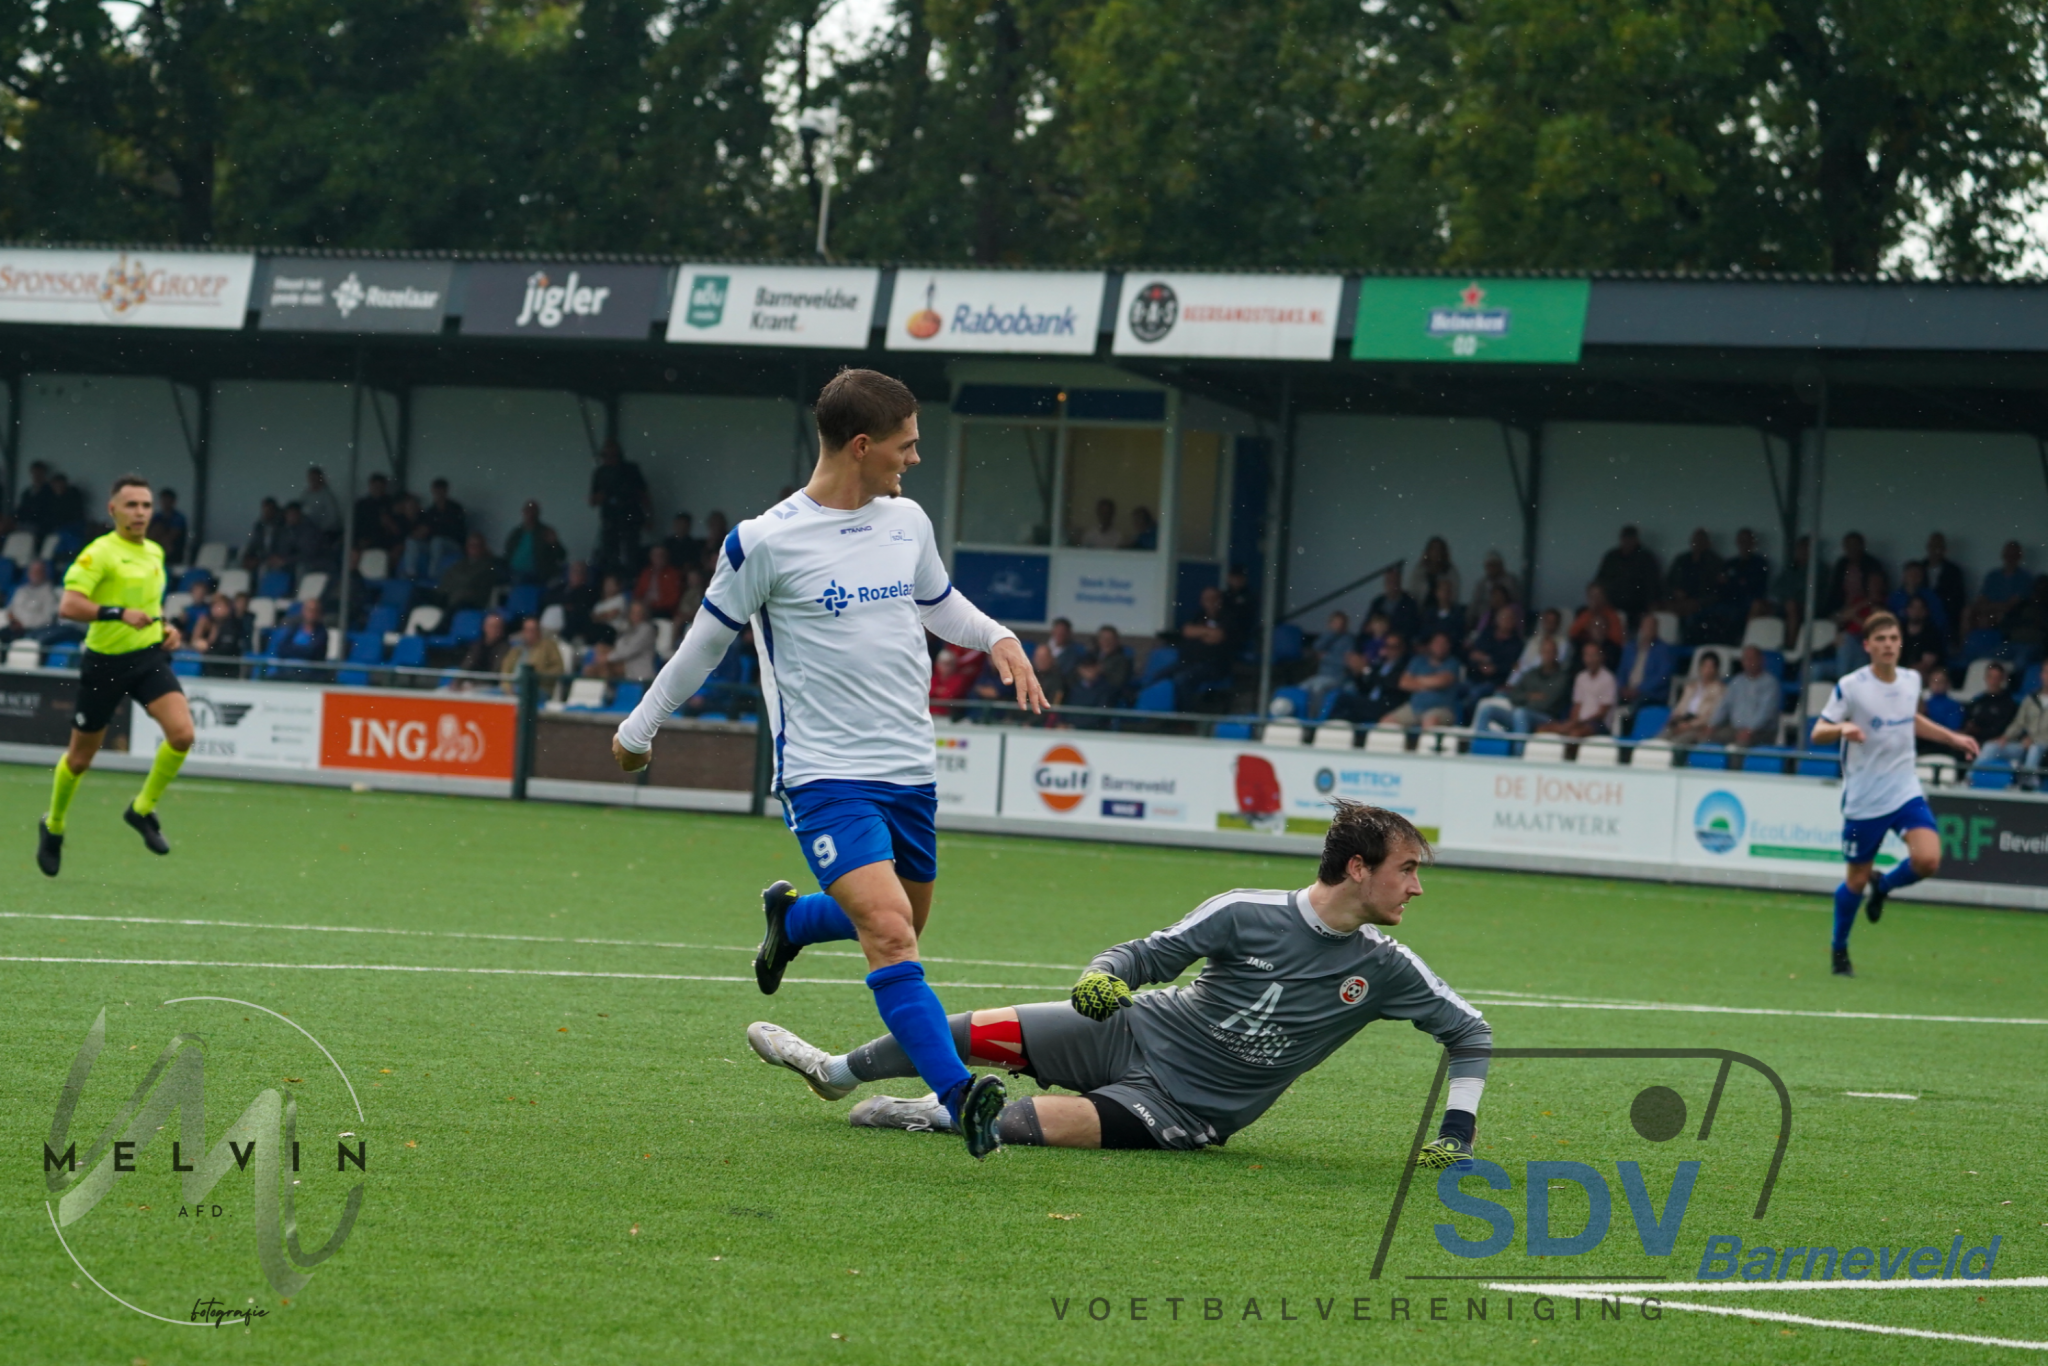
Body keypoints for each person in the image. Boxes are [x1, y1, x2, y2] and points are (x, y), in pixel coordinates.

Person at [609, 367, 1043, 1159]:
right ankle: (960, 1097)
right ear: (863, 445)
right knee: (890, 933)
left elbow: (939, 602)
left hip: (910, 768)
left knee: (905, 919)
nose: (914, 460)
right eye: (906, 446)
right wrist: (638, 732)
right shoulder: (764, 541)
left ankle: (792, 920)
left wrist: (998, 636)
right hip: (825, 775)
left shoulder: (906, 521)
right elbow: (703, 650)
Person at [744, 803, 1491, 1166]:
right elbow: (1143, 956)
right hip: (1135, 1028)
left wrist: (1456, 1132)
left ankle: (926, 1114)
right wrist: (1102, 978)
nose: (1416, 887)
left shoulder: (1385, 968)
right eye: (1408, 868)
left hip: (1183, 1107)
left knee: (1027, 1125)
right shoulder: (1244, 914)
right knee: (966, 1031)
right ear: (1358, 868)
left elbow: (1471, 1033)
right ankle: (832, 1072)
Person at [37, 477, 193, 877]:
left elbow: (150, 607)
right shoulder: (99, 553)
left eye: (145, 505)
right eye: (131, 505)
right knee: (80, 759)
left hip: (146, 657)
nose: (140, 512)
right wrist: (116, 613)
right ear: (113, 510)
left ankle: (141, 810)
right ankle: (53, 825)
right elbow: (69, 606)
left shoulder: (155, 552)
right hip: (104, 664)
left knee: (183, 735)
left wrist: (166, 629)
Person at [1813, 612, 1979, 976]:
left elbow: (1909, 718)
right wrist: (1842, 728)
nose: (1888, 644)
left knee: (1928, 861)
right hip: (1864, 799)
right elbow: (1818, 731)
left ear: (1900, 643)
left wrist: (1952, 737)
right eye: (1881, 639)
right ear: (1868, 645)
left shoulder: (1911, 680)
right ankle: (1839, 949)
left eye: (1893, 638)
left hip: (1904, 790)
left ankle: (1884, 886)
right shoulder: (1851, 686)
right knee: (1855, 880)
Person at [1474, 635, 1569, 735]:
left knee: (1520, 713)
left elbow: (1547, 703)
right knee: (1486, 709)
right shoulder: (1531, 673)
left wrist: (1524, 701)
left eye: (1551, 652)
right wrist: (1529, 696)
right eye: (1545, 652)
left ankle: (1518, 751)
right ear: (1540, 653)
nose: (1547, 655)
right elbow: (1513, 695)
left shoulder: (1562, 677)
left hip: (1546, 718)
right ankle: (1476, 747)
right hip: (1520, 713)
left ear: (1556, 654)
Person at [589, 438, 650, 575]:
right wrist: (601, 496)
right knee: (610, 554)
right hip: (610, 518)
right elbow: (592, 500)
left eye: (612, 455)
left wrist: (649, 516)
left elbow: (643, 494)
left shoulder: (631, 470)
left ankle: (631, 580)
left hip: (630, 516)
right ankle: (613, 582)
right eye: (606, 455)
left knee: (631, 553)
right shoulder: (600, 472)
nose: (609, 458)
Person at [1171, 584, 1234, 708]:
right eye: (1205, 599)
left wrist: (1199, 632)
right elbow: (1187, 630)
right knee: (1159, 677)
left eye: (1212, 599)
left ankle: (1184, 720)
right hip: (1188, 662)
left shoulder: (1228, 617)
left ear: (1219, 600)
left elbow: (1217, 636)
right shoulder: (1199, 615)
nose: (1208, 603)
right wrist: (1206, 632)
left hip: (1213, 666)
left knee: (1181, 680)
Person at [1983, 670, 2048, 787]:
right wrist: (2005, 737)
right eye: (2046, 672)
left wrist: (2036, 740)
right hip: (2025, 744)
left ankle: (2027, 785)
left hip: (2042, 746)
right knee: (1991, 747)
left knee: (2035, 748)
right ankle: (1968, 778)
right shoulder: (2031, 699)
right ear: (2041, 674)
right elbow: (2018, 723)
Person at [1383, 631, 1462, 728]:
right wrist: (1430, 683)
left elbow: (1442, 681)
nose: (1440, 646)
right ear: (1430, 644)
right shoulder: (1418, 661)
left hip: (1442, 709)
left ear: (1449, 646)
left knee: (1430, 722)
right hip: (1414, 708)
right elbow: (1403, 683)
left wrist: (1416, 681)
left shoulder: (1453, 663)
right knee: (1387, 722)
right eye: (1437, 643)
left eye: (1443, 643)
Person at [1708, 645, 1782, 746]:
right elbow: (1724, 705)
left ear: (1761, 660)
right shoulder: (1737, 681)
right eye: (1745, 659)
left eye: (1752, 659)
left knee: (1740, 746)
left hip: (1761, 732)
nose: (1748, 662)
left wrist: (1751, 730)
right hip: (1736, 729)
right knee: (1708, 738)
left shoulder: (1770, 683)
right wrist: (1712, 725)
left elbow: (1766, 712)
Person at [1538, 642, 1616, 737]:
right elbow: (1577, 706)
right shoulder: (1581, 677)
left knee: (1574, 735)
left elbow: (1602, 713)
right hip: (1579, 722)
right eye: (1587, 655)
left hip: (1599, 724)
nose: (1589, 659)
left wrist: (1577, 723)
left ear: (1601, 657)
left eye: (1593, 655)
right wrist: (1572, 723)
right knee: (1543, 729)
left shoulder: (1608, 678)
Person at [1595, 525, 1661, 622]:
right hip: (1612, 604)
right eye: (1625, 538)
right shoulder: (1611, 557)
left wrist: (1651, 606)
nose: (1627, 541)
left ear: (1636, 539)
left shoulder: (1646, 558)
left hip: (1637, 606)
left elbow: (1652, 584)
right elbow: (1600, 580)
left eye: (1630, 538)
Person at [1663, 527, 1723, 634]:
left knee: (1689, 609)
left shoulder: (1715, 562)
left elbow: (1718, 591)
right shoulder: (1681, 560)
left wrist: (1698, 601)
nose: (1697, 543)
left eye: (1701, 540)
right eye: (1695, 540)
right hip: (1678, 601)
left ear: (1707, 543)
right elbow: (1668, 583)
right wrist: (1675, 592)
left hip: (1700, 602)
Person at [1616, 613, 1677, 716]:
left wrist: (1639, 689)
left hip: (1650, 694)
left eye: (1652, 626)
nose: (1649, 629)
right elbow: (1622, 671)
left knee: (1638, 704)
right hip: (1628, 691)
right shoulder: (1630, 648)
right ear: (1641, 628)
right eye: (1647, 626)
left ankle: (1632, 730)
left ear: (1657, 629)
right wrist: (1622, 687)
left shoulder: (1663, 650)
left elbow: (1662, 677)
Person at [1661, 652, 1727, 743]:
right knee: (1659, 740)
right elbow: (1679, 707)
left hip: (1698, 728)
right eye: (1705, 666)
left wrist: (1689, 725)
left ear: (1716, 670)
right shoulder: (1691, 687)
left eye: (1711, 667)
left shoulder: (1720, 690)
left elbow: (1711, 716)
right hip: (1681, 721)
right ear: (1700, 667)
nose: (1707, 670)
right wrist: (1675, 719)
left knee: (1677, 743)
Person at [1301, 611, 1356, 717]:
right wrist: (1331, 634)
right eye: (1335, 623)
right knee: (1302, 687)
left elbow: (1345, 663)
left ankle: (1314, 718)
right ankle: (1301, 716)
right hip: (1321, 675)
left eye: (1341, 623)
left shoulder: (1349, 639)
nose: (1338, 626)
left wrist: (1326, 657)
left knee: (1318, 688)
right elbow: (1316, 648)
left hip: (1337, 677)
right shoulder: (1327, 636)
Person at [503, 500, 565, 586]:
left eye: (533, 511)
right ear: (523, 512)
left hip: (536, 576)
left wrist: (554, 543)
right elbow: (507, 553)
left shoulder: (545, 532)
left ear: (538, 513)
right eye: (527, 510)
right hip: (512, 572)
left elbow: (561, 556)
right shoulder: (516, 532)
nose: (530, 514)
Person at [438, 533, 502, 613]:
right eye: (471, 545)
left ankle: (440, 625)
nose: (473, 548)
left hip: (467, 602)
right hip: (448, 596)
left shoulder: (488, 566)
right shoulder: (460, 563)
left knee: (455, 606)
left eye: (476, 545)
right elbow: (447, 580)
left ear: (483, 547)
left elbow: (480, 593)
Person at [500, 616, 568, 691]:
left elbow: (558, 669)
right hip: (512, 688)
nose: (529, 633)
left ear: (539, 631)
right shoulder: (516, 648)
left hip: (537, 689)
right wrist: (507, 685)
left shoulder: (548, 646)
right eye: (526, 630)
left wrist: (537, 677)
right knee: (489, 694)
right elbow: (506, 668)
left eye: (532, 630)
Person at [271, 598, 331, 682]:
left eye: (315, 610)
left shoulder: (321, 632)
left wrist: (292, 649)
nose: (311, 613)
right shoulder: (294, 628)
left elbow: (311, 652)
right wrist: (300, 650)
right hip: (287, 670)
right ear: (303, 611)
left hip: (309, 672)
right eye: (309, 610)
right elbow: (282, 648)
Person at [1922, 532, 1967, 638]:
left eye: (1939, 546)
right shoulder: (1919, 568)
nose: (1935, 550)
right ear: (1928, 547)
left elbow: (1959, 598)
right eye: (1933, 546)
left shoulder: (1953, 571)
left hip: (1945, 613)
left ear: (1944, 549)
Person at [3, 558, 59, 641]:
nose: (34, 574)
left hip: (33, 631)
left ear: (44, 573)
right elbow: (10, 610)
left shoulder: (49, 593)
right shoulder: (21, 590)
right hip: (14, 628)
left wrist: (23, 624)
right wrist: (13, 620)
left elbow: (48, 619)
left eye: (38, 571)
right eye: (32, 571)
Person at [1962, 662, 2018, 745]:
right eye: (1990, 677)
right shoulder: (1978, 701)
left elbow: (2001, 729)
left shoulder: (2008, 704)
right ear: (1985, 677)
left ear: (2002, 679)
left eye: (1997, 677)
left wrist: (1979, 730)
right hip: (1971, 740)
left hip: (1992, 743)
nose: (1993, 681)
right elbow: (1967, 720)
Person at [1467, 550, 1521, 629]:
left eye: (1494, 565)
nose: (1491, 568)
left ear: (1500, 565)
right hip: (1483, 618)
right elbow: (1474, 603)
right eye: (1489, 565)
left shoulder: (1510, 581)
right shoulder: (1482, 583)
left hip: (1505, 618)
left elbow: (1516, 601)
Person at [1366, 567, 1420, 644]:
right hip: (1376, 642)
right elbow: (1367, 626)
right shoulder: (1377, 602)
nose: (1392, 585)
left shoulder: (1409, 602)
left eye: (1395, 582)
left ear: (1400, 582)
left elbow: (1411, 628)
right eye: (1389, 582)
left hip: (1399, 644)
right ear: (1385, 583)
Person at [1404, 536, 1460, 608]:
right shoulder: (1419, 569)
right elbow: (1412, 593)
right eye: (1433, 549)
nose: (1436, 552)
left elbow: (1454, 597)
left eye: (1439, 549)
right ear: (1428, 551)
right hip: (1420, 611)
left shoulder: (1451, 572)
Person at [610, 601, 658, 682]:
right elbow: (619, 647)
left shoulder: (647, 629)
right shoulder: (628, 628)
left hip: (641, 675)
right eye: (633, 612)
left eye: (639, 612)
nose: (636, 615)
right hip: (627, 669)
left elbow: (627, 651)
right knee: (600, 651)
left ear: (644, 614)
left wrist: (607, 658)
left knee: (602, 667)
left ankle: (608, 691)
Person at [1568, 582, 1624, 651]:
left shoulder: (1612, 616)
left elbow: (1617, 641)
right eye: (1592, 596)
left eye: (1598, 596)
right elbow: (1572, 634)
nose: (1595, 599)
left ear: (1604, 597)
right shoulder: (1585, 614)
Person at [421, 478, 468, 557]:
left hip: (453, 543)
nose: (438, 494)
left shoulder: (455, 508)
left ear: (445, 491)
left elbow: (457, 531)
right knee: (412, 543)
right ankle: (410, 569)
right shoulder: (431, 510)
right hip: (433, 543)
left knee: (437, 542)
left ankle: (434, 570)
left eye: (440, 491)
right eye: (436, 491)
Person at [634, 544, 684, 616]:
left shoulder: (673, 574)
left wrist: (654, 603)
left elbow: (674, 600)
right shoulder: (646, 572)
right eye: (655, 555)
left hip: (663, 610)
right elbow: (638, 593)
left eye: (661, 555)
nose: (658, 558)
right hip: (644, 607)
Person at [458, 611, 511, 677]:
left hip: (489, 684)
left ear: (502, 629)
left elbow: (496, 672)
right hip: (469, 683)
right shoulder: (477, 645)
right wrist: (457, 682)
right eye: (491, 626)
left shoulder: (506, 648)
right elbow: (466, 666)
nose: (494, 630)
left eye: (497, 627)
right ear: (484, 627)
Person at [1514, 607, 1565, 674]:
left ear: (1557, 623)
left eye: (1552, 621)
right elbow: (1521, 662)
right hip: (1524, 675)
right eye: (1547, 620)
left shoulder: (1563, 642)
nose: (1549, 623)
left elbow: (1555, 663)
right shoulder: (1534, 640)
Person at [147, 487, 189, 564]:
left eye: (167, 500)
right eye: (163, 500)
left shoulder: (178, 518)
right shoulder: (157, 517)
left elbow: (172, 536)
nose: (165, 502)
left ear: (173, 501)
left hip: (174, 554)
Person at [243, 497, 287, 571]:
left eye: (269, 510)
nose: (266, 513)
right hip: (262, 557)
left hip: (277, 557)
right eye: (264, 510)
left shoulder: (283, 525)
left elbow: (283, 547)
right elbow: (253, 543)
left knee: (264, 569)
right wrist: (248, 557)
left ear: (274, 510)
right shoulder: (260, 525)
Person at [1093, 625, 1133, 704]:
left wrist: (1101, 671)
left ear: (1116, 641)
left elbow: (1118, 683)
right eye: (1103, 638)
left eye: (1110, 639)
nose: (1106, 642)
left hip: (1109, 696)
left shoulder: (1123, 660)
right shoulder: (1091, 655)